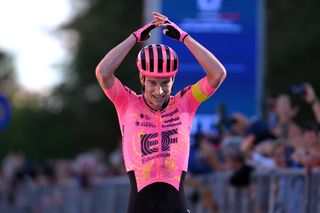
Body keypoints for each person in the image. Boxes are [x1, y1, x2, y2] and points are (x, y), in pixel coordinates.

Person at [95, 12, 226, 213]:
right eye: (153, 83)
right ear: (142, 79)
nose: (159, 91)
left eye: (165, 83)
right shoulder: (127, 103)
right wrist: (135, 37)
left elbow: (217, 74)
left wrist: (185, 38)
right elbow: (103, 73)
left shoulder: (185, 102)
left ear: (173, 80)